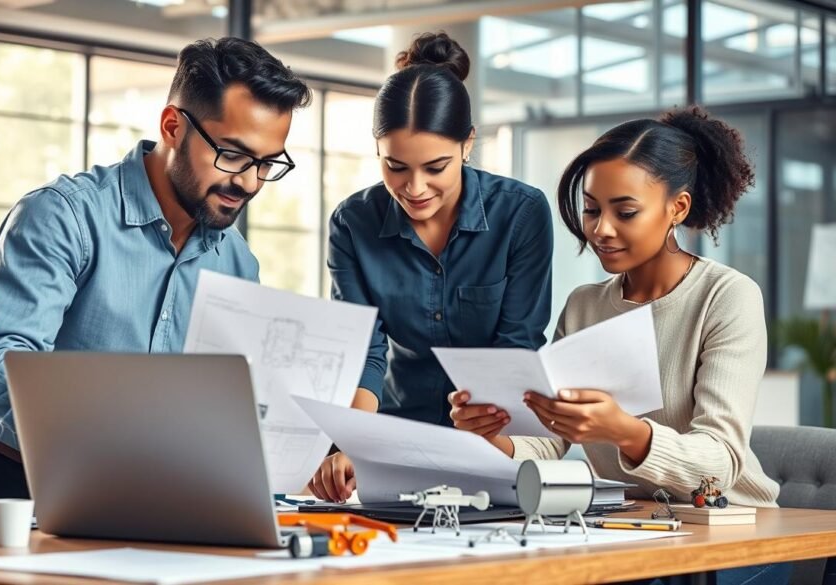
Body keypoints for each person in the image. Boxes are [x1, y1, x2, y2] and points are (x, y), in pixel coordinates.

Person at [0, 37, 311, 508]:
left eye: (267, 164)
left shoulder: (237, 261)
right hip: (13, 485)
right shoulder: (64, 217)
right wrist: (118, 422)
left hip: (145, 493)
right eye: (232, 155)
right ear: (172, 126)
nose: (248, 182)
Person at [450, 106, 788, 584]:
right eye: (592, 209)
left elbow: (721, 460)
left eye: (625, 212)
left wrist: (627, 431)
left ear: (679, 208)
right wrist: (493, 438)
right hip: (635, 528)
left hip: (733, 535)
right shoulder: (585, 305)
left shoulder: (727, 296)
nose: (601, 229)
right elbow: (549, 442)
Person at [309, 32, 553, 503]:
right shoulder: (353, 222)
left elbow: (517, 343)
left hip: (491, 440)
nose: (415, 187)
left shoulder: (521, 214)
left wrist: (479, 435)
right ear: (377, 150)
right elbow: (365, 349)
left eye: (436, 167)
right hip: (394, 441)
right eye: (395, 166)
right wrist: (354, 444)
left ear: (467, 145)